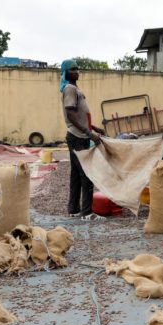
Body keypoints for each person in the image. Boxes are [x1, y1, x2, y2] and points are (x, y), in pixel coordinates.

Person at [60, 59, 105, 220]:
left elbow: (81, 115)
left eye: (78, 69)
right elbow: (71, 114)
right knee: (86, 174)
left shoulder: (74, 88)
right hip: (77, 138)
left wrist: (95, 129)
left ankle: (73, 209)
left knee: (76, 175)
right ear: (65, 72)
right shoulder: (70, 89)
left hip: (80, 136)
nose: (77, 71)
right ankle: (87, 213)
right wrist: (88, 131)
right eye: (73, 69)